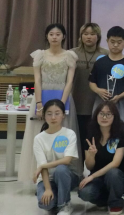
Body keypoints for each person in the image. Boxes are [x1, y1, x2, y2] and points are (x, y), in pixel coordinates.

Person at [20, 24, 82, 183]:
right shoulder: (39, 55)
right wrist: (39, 104)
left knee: (61, 138)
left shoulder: (70, 56)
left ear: (63, 36)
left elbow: (69, 82)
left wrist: (61, 105)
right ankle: (40, 178)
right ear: (47, 36)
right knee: (39, 136)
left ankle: (62, 177)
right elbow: (37, 80)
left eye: (58, 34)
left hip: (63, 99)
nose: (54, 37)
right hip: (42, 99)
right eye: (51, 34)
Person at [78, 101, 124, 215]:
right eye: (101, 114)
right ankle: (104, 200)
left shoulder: (120, 135)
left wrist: (91, 177)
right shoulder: (90, 136)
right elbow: (89, 166)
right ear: (96, 116)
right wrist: (91, 155)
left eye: (108, 114)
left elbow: (115, 163)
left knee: (113, 173)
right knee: (84, 193)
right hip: (98, 177)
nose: (104, 117)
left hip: (116, 177)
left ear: (114, 117)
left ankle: (115, 203)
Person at [33, 99, 80, 215]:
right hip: (47, 179)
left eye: (57, 113)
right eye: (49, 114)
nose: (53, 117)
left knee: (61, 169)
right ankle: (57, 194)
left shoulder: (69, 134)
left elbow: (67, 160)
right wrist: (48, 189)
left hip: (67, 176)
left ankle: (64, 205)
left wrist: (43, 165)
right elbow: (43, 168)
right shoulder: (39, 139)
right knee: (46, 204)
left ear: (63, 115)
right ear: (44, 116)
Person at [88, 26, 124, 124]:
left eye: (119, 42)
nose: (115, 45)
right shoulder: (100, 62)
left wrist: (120, 96)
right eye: (112, 42)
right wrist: (98, 90)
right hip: (100, 101)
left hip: (120, 103)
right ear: (107, 41)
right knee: (98, 125)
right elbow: (91, 82)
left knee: (119, 126)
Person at [72, 23, 109, 151]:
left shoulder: (106, 54)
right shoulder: (72, 53)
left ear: (98, 37)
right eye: (85, 34)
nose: (89, 37)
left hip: (97, 102)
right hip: (76, 101)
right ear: (81, 36)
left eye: (92, 34)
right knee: (78, 138)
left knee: (94, 138)